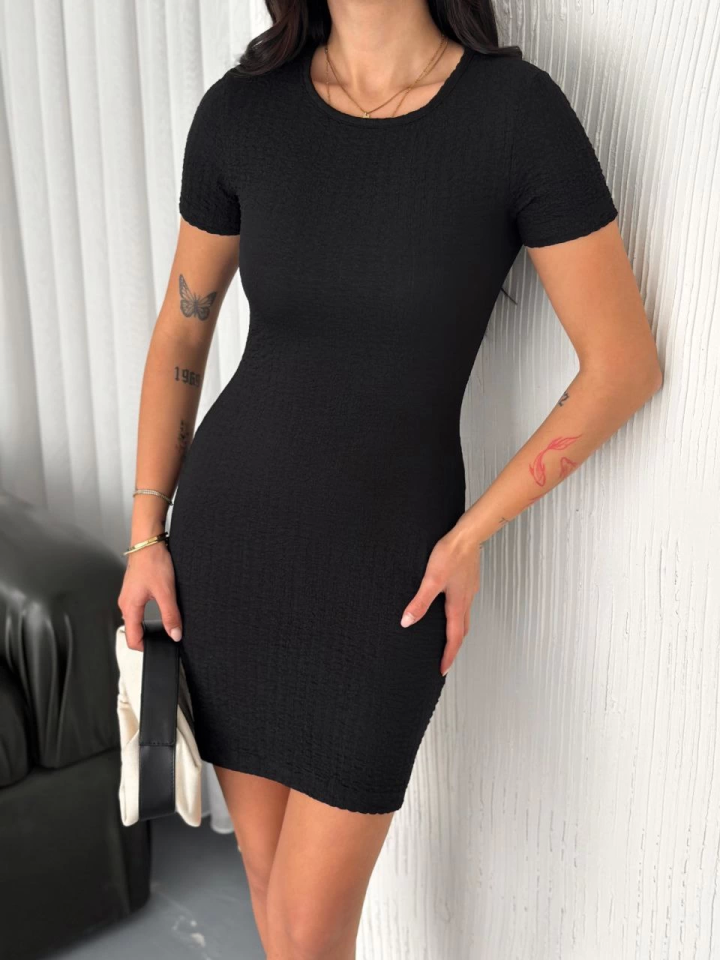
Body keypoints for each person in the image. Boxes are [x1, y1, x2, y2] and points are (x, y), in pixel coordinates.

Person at [118, 1, 662, 956]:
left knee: (309, 930)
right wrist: (145, 537)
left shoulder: (515, 115)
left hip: (389, 576)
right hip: (232, 553)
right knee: (275, 905)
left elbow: (624, 365)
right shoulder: (243, 111)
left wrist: (472, 533)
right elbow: (182, 332)